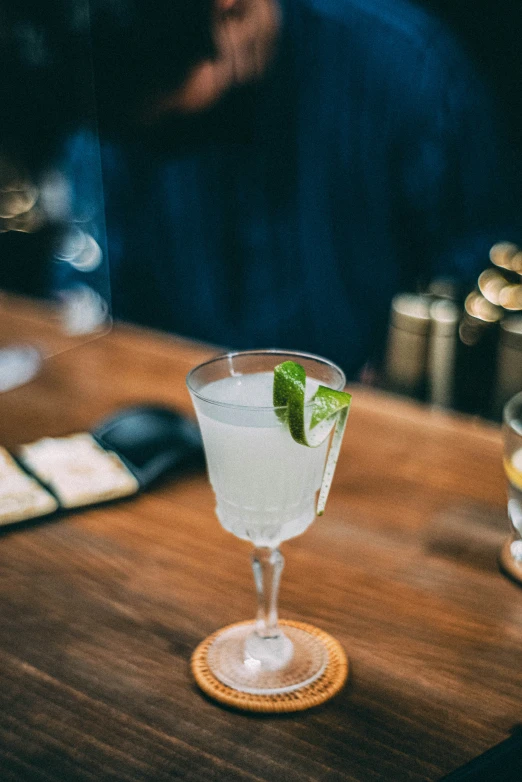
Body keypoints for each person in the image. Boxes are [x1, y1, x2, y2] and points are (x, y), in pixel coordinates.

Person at [57, 0, 522, 377]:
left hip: (359, 417)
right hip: (183, 414)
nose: (151, 139)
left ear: (233, 11)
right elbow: (95, 278)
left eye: (169, 118)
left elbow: (478, 277)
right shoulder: (121, 90)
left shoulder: (407, 71)